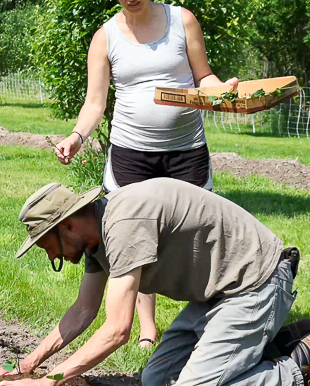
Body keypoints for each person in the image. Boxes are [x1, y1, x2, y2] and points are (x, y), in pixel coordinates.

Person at [0, 179, 310, 386]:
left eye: (48, 246)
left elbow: (117, 330)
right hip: (218, 295)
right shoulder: (98, 236)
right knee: (155, 378)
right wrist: (27, 365)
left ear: (67, 224)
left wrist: (50, 381)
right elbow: (84, 310)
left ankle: (305, 362)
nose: (52, 257)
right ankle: (278, 342)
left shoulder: (124, 224)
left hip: (257, 283)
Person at [52, 0, 237, 351]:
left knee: (197, 240)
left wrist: (219, 90)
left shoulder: (182, 20)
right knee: (136, 239)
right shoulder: (104, 38)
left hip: (186, 152)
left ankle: (204, 324)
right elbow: (95, 102)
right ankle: (148, 328)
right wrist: (77, 136)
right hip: (130, 154)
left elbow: (203, 76)